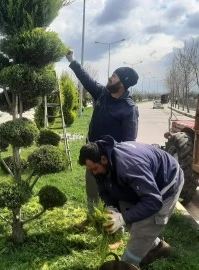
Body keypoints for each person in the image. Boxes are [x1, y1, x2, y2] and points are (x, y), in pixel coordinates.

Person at [78, 135, 184, 267]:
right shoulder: (103, 163)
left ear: (103, 159)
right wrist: (112, 208)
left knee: (145, 226)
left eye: (94, 168)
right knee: (130, 217)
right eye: (90, 170)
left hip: (166, 183)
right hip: (145, 184)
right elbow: (104, 189)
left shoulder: (128, 165)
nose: (94, 173)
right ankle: (158, 248)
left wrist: (122, 218)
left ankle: (129, 263)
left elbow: (153, 201)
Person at [66, 50, 140, 222]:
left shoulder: (129, 109)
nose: (110, 77)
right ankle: (92, 217)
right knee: (92, 189)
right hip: (93, 154)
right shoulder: (102, 94)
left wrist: (117, 163)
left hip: (111, 159)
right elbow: (86, 79)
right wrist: (73, 61)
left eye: (114, 76)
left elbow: (129, 141)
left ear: (122, 83)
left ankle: (115, 225)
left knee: (112, 194)